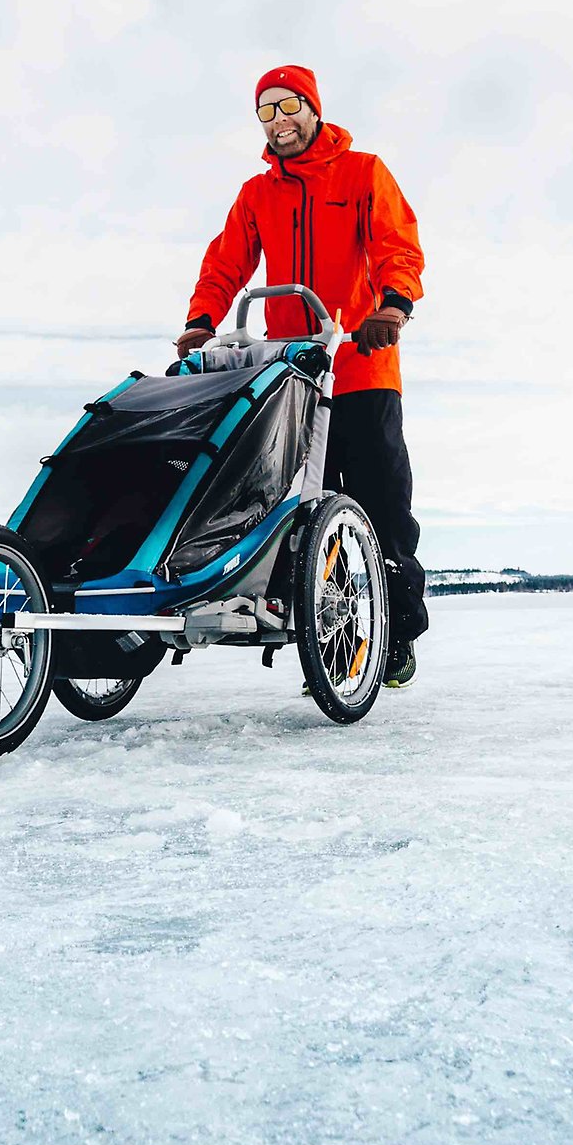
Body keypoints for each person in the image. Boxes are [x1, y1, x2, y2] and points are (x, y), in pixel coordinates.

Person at [178, 64, 428, 685]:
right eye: (265, 112)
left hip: (361, 367)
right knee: (289, 503)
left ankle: (396, 635)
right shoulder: (259, 194)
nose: (278, 121)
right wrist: (203, 321)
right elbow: (226, 261)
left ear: (313, 108)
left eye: (288, 106)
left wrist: (391, 307)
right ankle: (317, 623)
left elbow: (397, 245)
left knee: (382, 505)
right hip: (291, 374)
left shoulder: (363, 172)